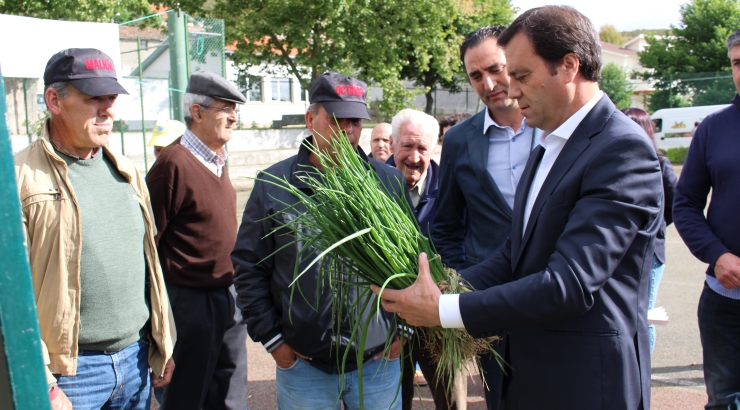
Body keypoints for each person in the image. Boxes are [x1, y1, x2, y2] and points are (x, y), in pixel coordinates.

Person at [375, 7, 662, 409]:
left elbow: (569, 285)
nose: (510, 89)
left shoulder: (622, 149)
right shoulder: (547, 143)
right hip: (521, 374)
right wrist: (445, 286)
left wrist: (445, 309)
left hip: (583, 383)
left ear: (568, 66)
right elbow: (515, 254)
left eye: (522, 76)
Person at [232, 72, 406, 409]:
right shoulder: (274, 186)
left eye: (355, 120)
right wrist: (274, 343)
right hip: (304, 367)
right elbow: (248, 268)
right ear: (311, 119)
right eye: (337, 118)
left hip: (378, 363)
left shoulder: (388, 183)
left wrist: (404, 332)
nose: (348, 129)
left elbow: (414, 263)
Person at [14, 47, 176, 410]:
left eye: (111, 97)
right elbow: (7, 295)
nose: (108, 109)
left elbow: (150, 268)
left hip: (136, 361)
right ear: (54, 100)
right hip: (70, 375)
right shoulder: (18, 178)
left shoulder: (128, 172)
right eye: (93, 98)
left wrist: (162, 345)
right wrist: (44, 384)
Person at [431, 25, 539, 410]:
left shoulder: (551, 128)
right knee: (501, 398)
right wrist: (461, 282)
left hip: (554, 289)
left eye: (496, 68)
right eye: (476, 75)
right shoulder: (460, 140)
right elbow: (445, 222)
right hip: (489, 300)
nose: (489, 83)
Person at [146, 71, 248, 410]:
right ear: (198, 112)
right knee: (187, 397)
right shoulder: (172, 164)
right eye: (225, 108)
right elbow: (147, 242)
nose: (233, 116)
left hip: (226, 296)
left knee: (229, 396)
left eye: (236, 109)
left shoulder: (218, 162)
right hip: (189, 303)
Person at [673, 28, 740, 410]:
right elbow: (685, 203)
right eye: (736, 63)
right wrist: (717, 255)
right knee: (724, 402)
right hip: (724, 302)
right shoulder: (714, 128)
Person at [382, 109, 450, 409]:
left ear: (433, 149)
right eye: (407, 146)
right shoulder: (370, 182)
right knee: (395, 399)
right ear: (393, 144)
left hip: (441, 314)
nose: (414, 156)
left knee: (451, 397)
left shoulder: (450, 187)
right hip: (387, 320)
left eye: (422, 148)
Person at [621, 107, 677, 356]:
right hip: (621, 250)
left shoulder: (661, 163)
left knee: (645, 314)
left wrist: (657, 228)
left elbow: (677, 203)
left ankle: (642, 367)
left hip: (651, 251)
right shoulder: (617, 162)